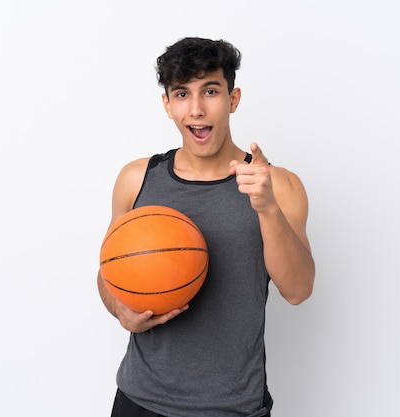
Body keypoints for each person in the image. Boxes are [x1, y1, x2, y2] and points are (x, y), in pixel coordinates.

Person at [97, 37, 315, 417]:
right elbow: (107, 273)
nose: (196, 109)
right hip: (139, 401)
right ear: (167, 104)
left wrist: (266, 209)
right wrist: (121, 310)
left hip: (233, 407)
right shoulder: (137, 179)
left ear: (233, 99)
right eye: (182, 94)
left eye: (210, 91)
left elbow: (298, 290)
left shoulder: (277, 185)